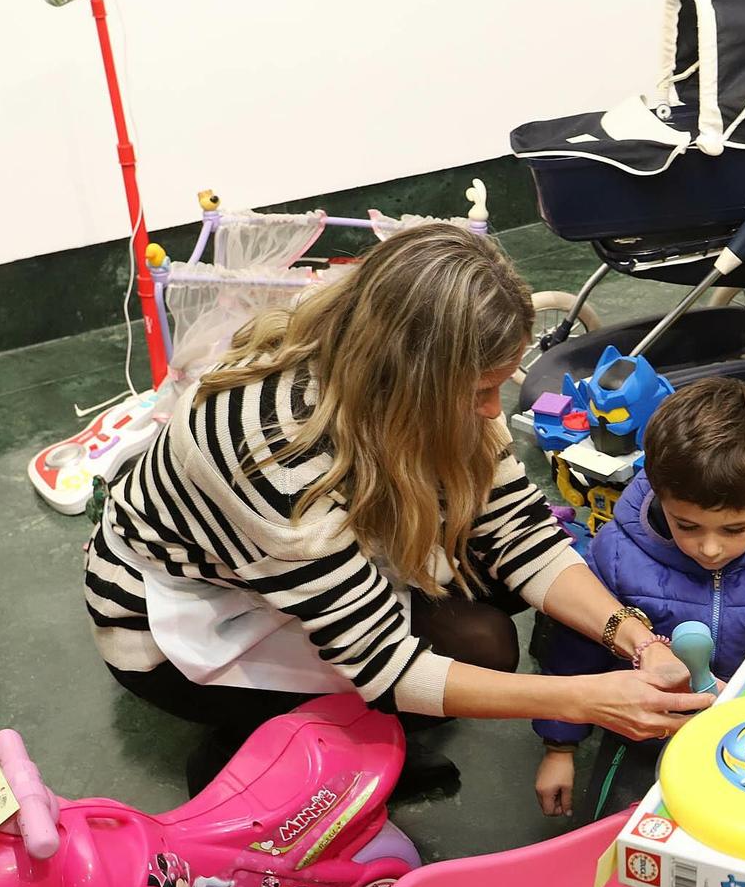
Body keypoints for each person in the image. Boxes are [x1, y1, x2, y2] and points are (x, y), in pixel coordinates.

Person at [83, 224, 711, 794]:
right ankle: (248, 751)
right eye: (480, 392)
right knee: (470, 650)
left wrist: (633, 637)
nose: (496, 412)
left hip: (303, 556)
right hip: (184, 623)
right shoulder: (265, 444)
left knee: (487, 626)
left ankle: (341, 730)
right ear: (411, 380)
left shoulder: (382, 344)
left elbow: (519, 532)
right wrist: (583, 701)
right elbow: (382, 662)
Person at [532, 378, 745, 820]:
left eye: (734, 529)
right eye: (688, 526)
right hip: (641, 733)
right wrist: (558, 745)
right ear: (660, 494)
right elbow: (574, 652)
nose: (711, 549)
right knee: (612, 836)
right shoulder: (616, 553)